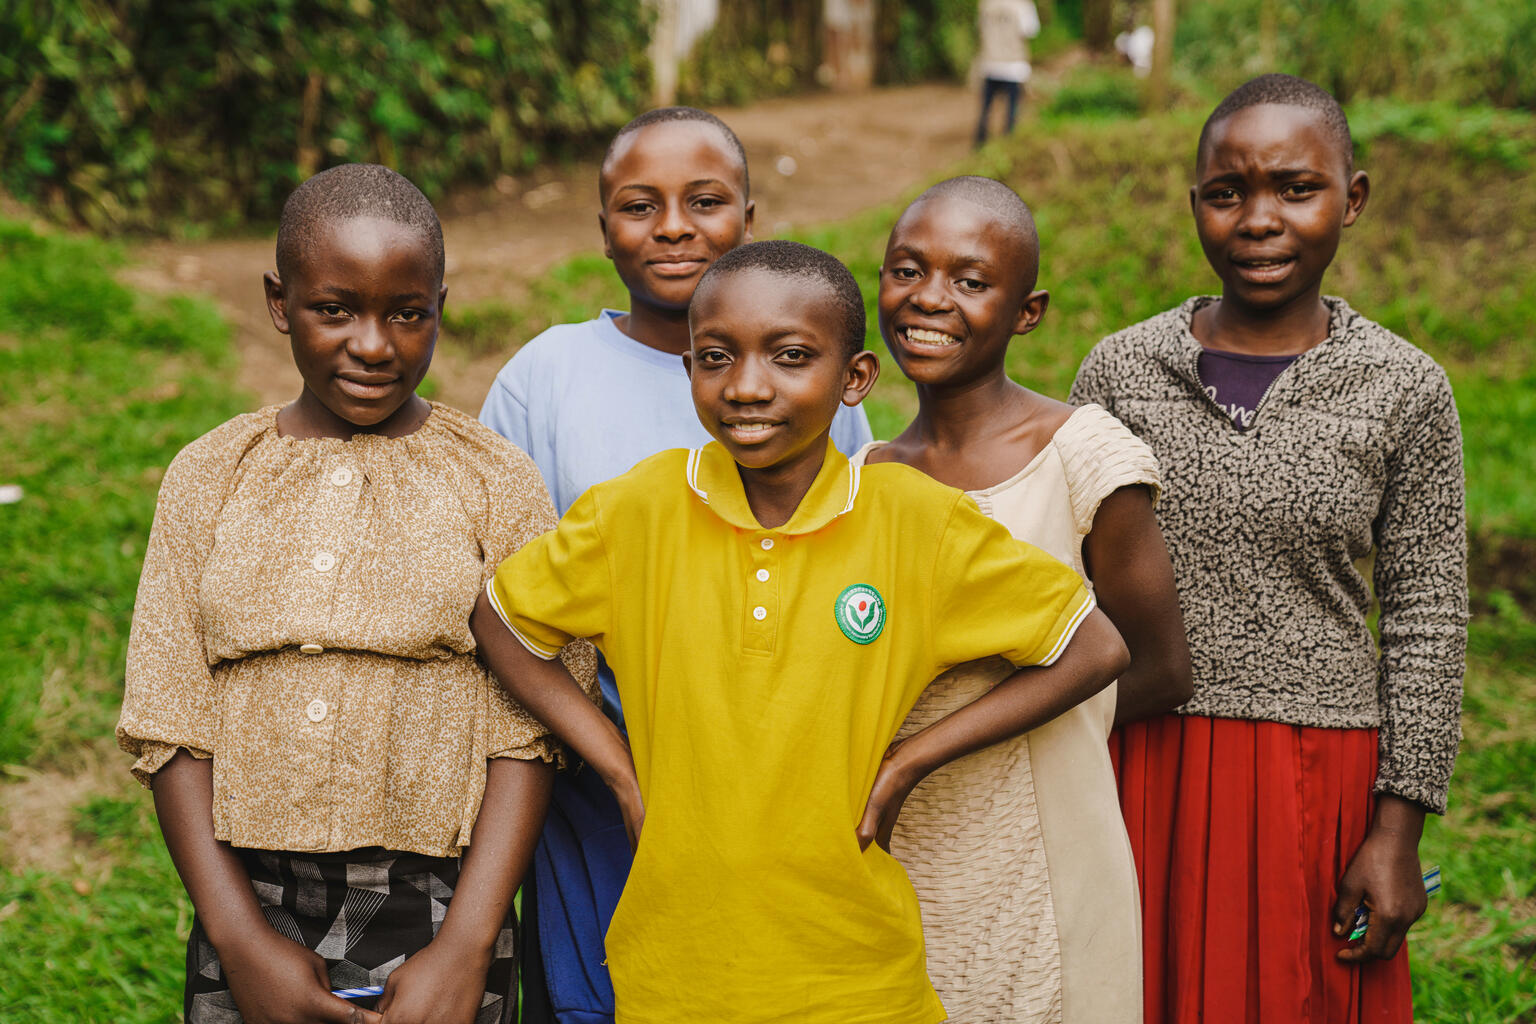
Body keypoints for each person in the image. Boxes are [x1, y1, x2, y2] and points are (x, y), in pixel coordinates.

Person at [470, 240, 1132, 1023]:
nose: (748, 387)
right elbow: (501, 619)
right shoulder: (636, 512)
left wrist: (909, 762)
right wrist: (617, 765)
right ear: (690, 374)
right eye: (716, 357)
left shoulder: (915, 521)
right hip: (673, 976)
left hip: (860, 983)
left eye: (789, 357)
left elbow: (1095, 647)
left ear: (854, 379)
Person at [116, 163, 594, 1024]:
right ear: (278, 301)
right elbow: (167, 716)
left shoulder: (495, 481)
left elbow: (533, 729)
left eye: (407, 314)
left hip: (446, 904)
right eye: (334, 309)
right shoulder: (209, 476)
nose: (373, 344)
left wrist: (469, 944)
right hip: (249, 901)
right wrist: (238, 939)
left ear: (440, 306)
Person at [1071, 74, 1467, 1023]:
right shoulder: (1122, 370)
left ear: (1353, 199)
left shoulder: (1404, 389)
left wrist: (1397, 830)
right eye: (1227, 192)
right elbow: (1069, 577)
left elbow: (1427, 617)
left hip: (1314, 777)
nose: (1259, 219)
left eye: (1296, 188)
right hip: (1140, 763)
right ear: (1196, 203)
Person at [477, 106, 872, 1024]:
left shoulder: (804, 372)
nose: (674, 227)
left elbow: (851, 543)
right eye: (639, 205)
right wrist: (611, 763)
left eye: (704, 201)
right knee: (602, 995)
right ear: (602, 226)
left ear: (749, 212)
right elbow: (506, 595)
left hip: (780, 783)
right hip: (601, 781)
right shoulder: (547, 377)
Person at [855, 175, 1192, 1023]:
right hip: (907, 840)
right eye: (908, 270)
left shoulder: (1080, 454)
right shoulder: (866, 476)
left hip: (1048, 831)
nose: (930, 298)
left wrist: (1012, 734)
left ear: (1027, 311)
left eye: (971, 281)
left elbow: (1159, 667)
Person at [974, 0, 1041, 146]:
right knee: (1012, 109)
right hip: (1013, 66)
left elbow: (980, 28)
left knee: (986, 110)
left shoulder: (986, 4)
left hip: (990, 64)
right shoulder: (1023, 5)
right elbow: (1030, 31)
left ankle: (980, 146)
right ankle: (1007, 145)